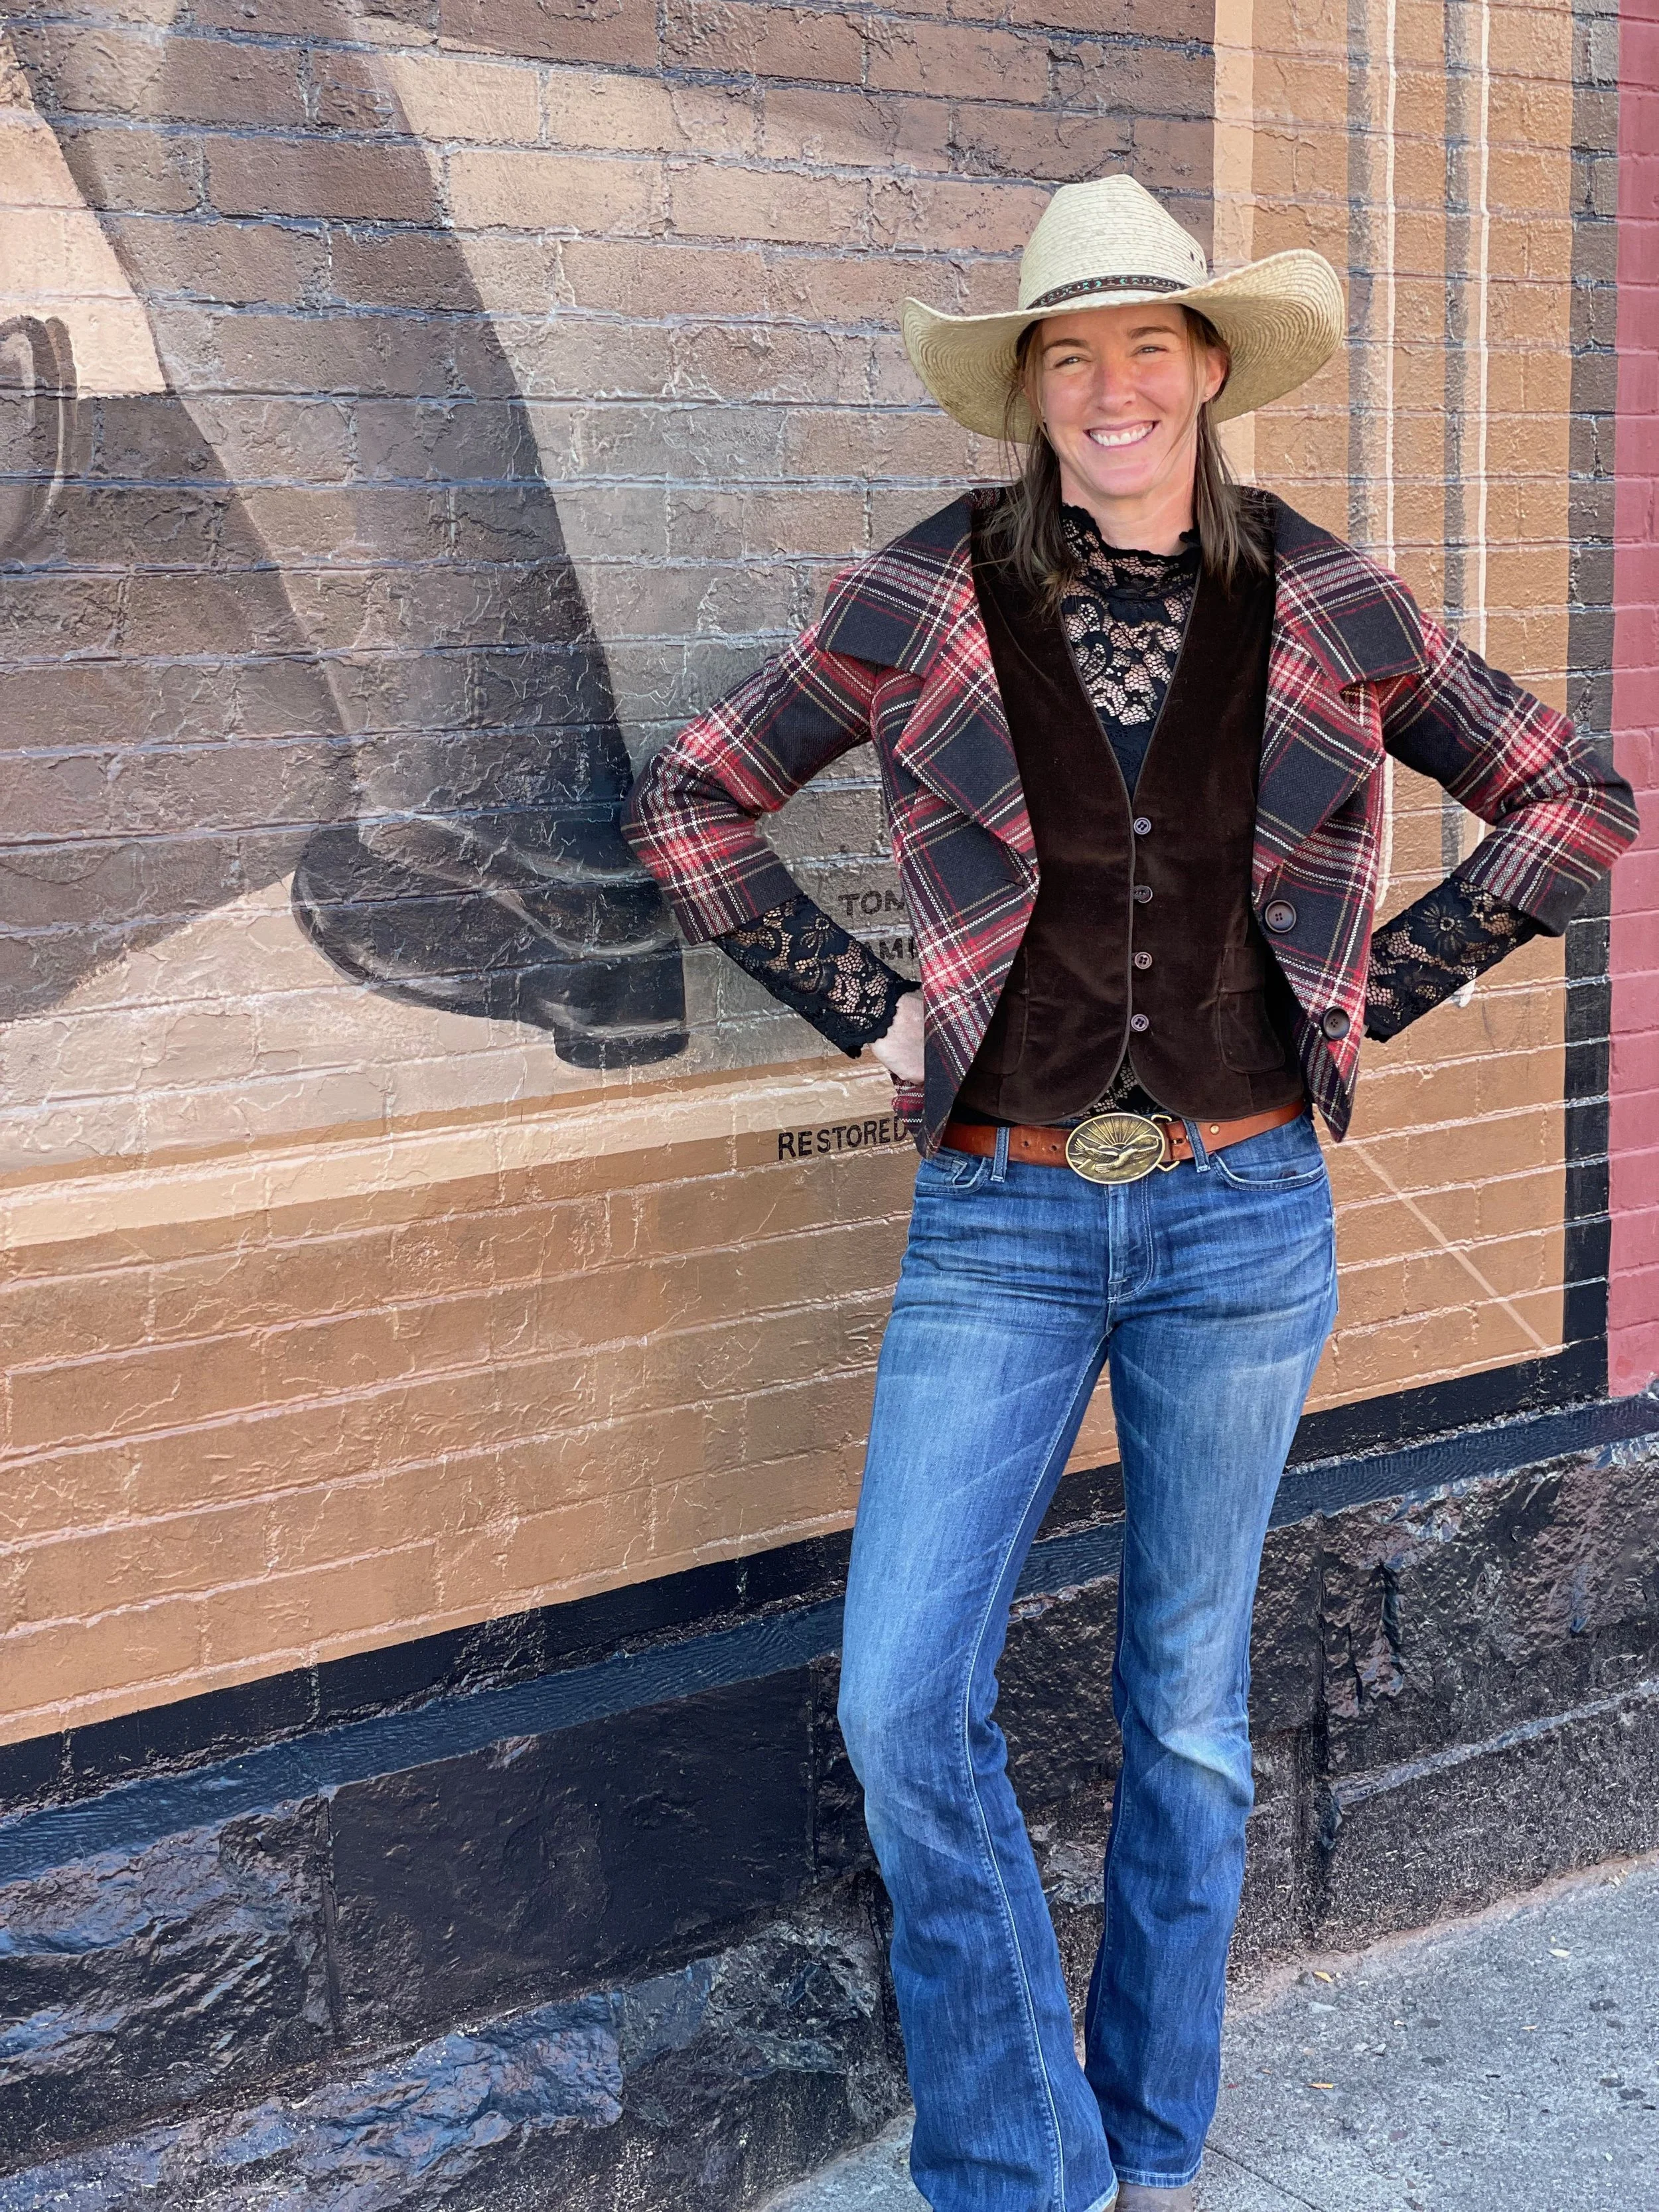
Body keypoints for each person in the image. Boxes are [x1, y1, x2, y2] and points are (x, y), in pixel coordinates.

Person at [624, 173, 1636, 2212]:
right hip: (996, 1212)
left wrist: (1369, 991)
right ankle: (1028, 2162)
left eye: (1143, 345)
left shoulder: (1333, 599)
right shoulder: (920, 595)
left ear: (1203, 368)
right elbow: (693, 801)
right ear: (1026, 384)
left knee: (1183, 1709)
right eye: (1065, 352)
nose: (1108, 386)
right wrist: (863, 1009)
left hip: (1245, 1213)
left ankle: (1151, 2131)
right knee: (902, 1695)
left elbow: (1570, 796)